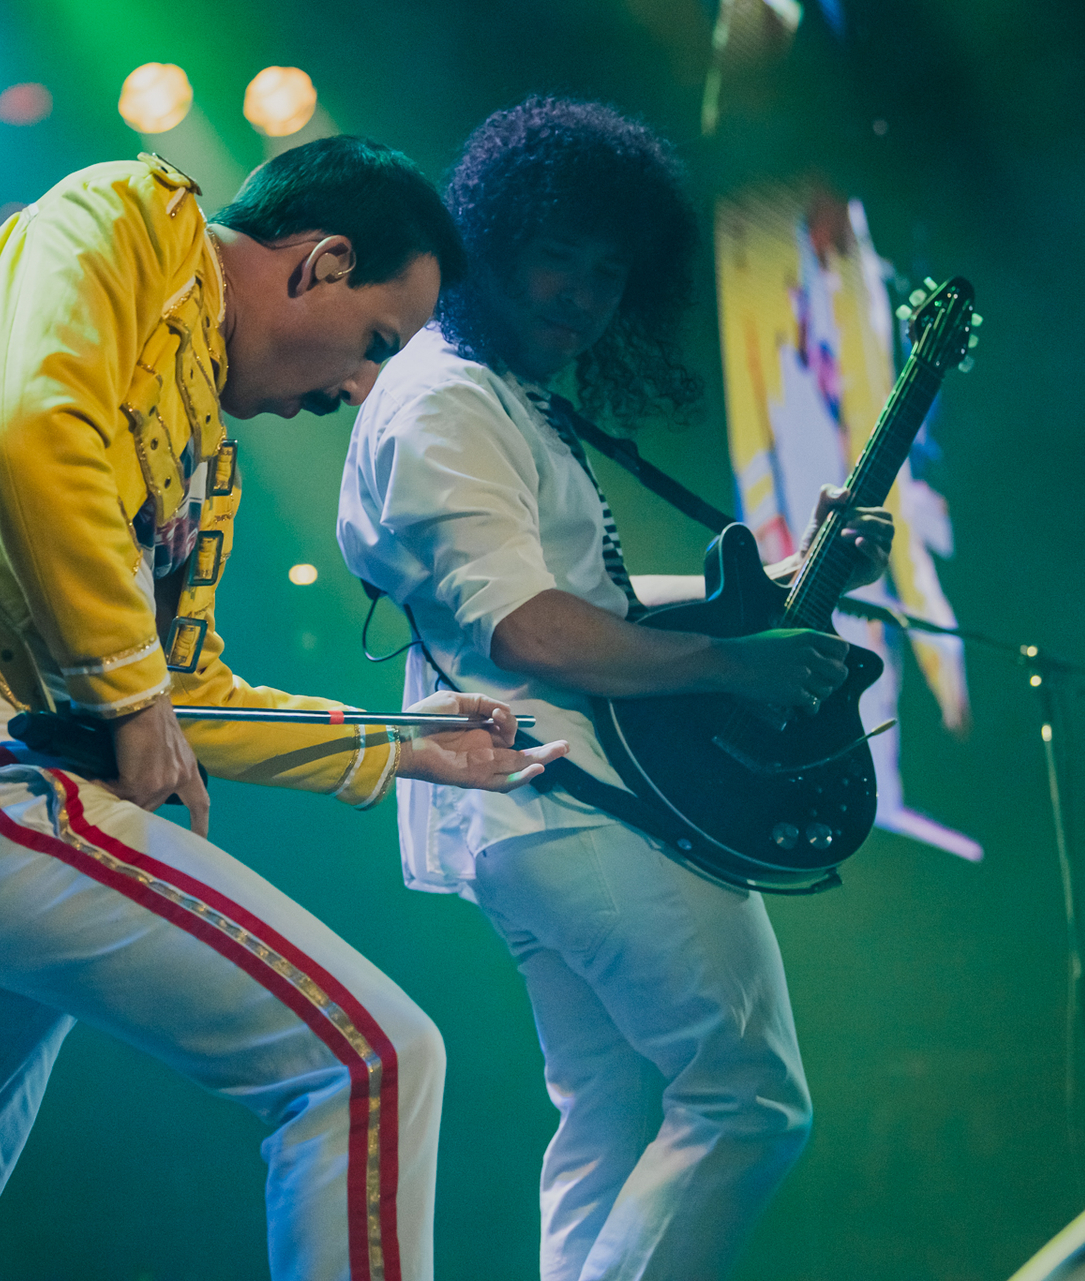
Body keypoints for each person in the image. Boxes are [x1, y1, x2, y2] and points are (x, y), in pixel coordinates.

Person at [0, 138, 565, 1281]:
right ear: (322, 262)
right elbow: (32, 430)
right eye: (378, 342)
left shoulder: (202, 451)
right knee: (369, 1062)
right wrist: (129, 693)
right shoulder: (126, 215)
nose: (361, 389)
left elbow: (185, 698)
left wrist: (409, 744)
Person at [337, 98, 895, 1281]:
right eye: (557, 257)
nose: (582, 296)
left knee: (615, 1112)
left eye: (609, 272)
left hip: (535, 814)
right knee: (749, 1103)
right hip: (574, 805)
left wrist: (788, 581)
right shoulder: (447, 400)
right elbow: (530, 626)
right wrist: (732, 661)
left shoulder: (487, 389)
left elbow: (575, 595)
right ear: (490, 243)